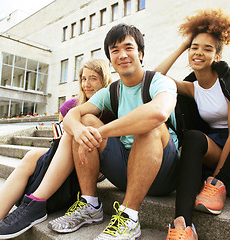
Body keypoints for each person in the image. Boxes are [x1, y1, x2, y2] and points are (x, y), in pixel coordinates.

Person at [46, 23, 179, 240]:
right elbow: (73, 115)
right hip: (124, 168)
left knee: (149, 125)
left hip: (163, 170)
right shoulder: (112, 90)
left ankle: (129, 218)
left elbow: (158, 113)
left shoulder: (159, 81)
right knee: (86, 120)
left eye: (128, 47)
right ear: (110, 59)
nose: (122, 55)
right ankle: (90, 206)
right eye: (115, 50)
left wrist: (102, 132)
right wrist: (79, 131)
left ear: (141, 53)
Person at [154, 9, 230, 240]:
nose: (198, 53)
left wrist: (216, 180)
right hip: (219, 147)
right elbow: (155, 77)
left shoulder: (229, 81)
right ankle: (183, 225)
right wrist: (182, 46)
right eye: (194, 48)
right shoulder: (191, 88)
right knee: (194, 137)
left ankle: (220, 184)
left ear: (217, 56)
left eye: (207, 49)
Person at [0, 58, 113, 240]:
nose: (87, 84)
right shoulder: (70, 106)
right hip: (64, 162)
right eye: (83, 79)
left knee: (74, 127)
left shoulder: (110, 109)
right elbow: (59, 143)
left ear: (104, 80)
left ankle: (35, 203)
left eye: (93, 78)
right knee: (31, 155)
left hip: (89, 167)